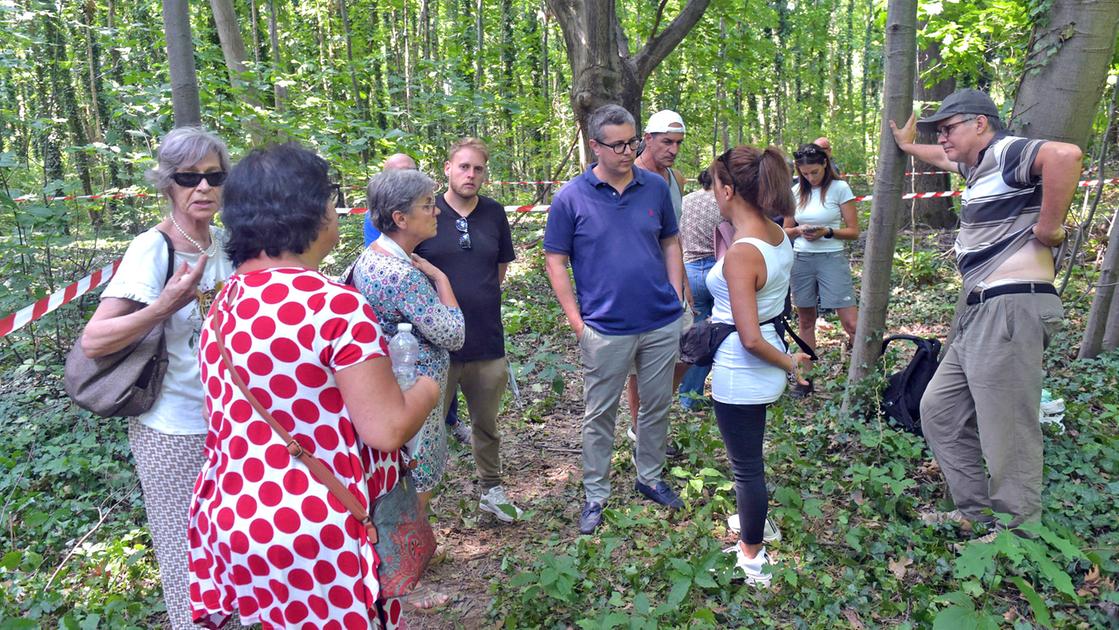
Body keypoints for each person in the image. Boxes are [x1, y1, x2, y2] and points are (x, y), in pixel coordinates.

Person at [187, 142, 442, 628]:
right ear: (307, 211)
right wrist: (427, 386)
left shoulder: (226, 302)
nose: (336, 209)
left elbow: (220, 418)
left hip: (240, 519)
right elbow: (386, 429)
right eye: (330, 198)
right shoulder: (335, 305)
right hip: (321, 530)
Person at [890, 89, 1080, 532]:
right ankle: (973, 512)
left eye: (949, 128)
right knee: (939, 410)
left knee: (1006, 428)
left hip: (1011, 307)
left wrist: (1049, 228)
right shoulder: (977, 168)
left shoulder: (1005, 152)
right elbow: (939, 158)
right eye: (939, 131)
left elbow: (1066, 156)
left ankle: (1017, 532)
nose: (942, 138)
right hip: (981, 311)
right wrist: (905, 146)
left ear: (980, 124)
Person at [77, 127, 233, 630]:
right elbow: (95, 341)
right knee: (188, 561)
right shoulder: (153, 249)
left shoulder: (225, 244)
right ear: (168, 184)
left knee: (231, 554)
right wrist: (165, 305)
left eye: (213, 176)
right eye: (189, 177)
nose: (203, 187)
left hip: (230, 429)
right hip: (171, 429)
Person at [543, 104, 686, 535]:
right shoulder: (572, 197)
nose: (628, 151)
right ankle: (596, 494)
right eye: (618, 143)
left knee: (656, 405)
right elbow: (555, 260)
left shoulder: (655, 189)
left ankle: (650, 477)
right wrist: (576, 320)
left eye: (632, 141)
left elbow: (671, 241)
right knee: (599, 414)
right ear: (595, 146)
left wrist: (677, 295)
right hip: (604, 329)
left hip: (660, 321)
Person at [707, 145, 812, 586]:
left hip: (744, 366)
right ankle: (756, 525)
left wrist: (791, 363)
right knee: (750, 460)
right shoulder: (777, 234)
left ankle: (752, 557)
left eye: (714, 185)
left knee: (746, 467)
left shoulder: (742, 253)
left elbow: (749, 337)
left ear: (729, 189)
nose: (713, 194)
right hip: (763, 361)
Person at [414, 138, 524, 522]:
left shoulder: (494, 213)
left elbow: (498, 271)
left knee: (487, 425)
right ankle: (416, 508)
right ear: (447, 168)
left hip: (486, 341)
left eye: (478, 168)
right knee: (425, 432)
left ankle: (492, 490)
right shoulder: (427, 213)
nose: (470, 175)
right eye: (463, 167)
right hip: (434, 347)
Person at [352, 168, 465, 516]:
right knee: (415, 483)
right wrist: (442, 279)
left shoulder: (370, 255)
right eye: (428, 205)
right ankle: (409, 554)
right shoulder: (403, 275)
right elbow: (453, 334)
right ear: (400, 217)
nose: (437, 211)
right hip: (413, 394)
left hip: (389, 388)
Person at [627, 110, 692, 447]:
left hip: (672, 284)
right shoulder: (628, 176)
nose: (674, 149)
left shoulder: (675, 179)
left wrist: (684, 286)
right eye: (667, 141)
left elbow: (676, 237)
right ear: (647, 140)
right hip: (638, 285)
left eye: (678, 143)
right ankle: (643, 433)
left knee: (688, 350)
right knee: (641, 364)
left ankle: (652, 413)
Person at [783, 142, 859, 366]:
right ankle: (807, 376)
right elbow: (785, 230)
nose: (810, 177)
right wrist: (798, 230)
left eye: (814, 172)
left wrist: (827, 232)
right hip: (801, 260)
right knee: (806, 320)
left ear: (825, 163)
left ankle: (864, 375)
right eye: (805, 174)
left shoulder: (840, 188)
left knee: (851, 322)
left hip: (831, 258)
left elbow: (854, 231)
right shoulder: (796, 192)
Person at [677, 169, 720, 409]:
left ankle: (689, 396)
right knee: (719, 333)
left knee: (696, 337)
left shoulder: (685, 201)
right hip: (718, 271)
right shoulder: (724, 204)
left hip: (690, 271)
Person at [364, 152, 419, 246]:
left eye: (414, 171)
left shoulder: (427, 206)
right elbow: (378, 253)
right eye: (403, 173)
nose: (411, 177)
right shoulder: (377, 213)